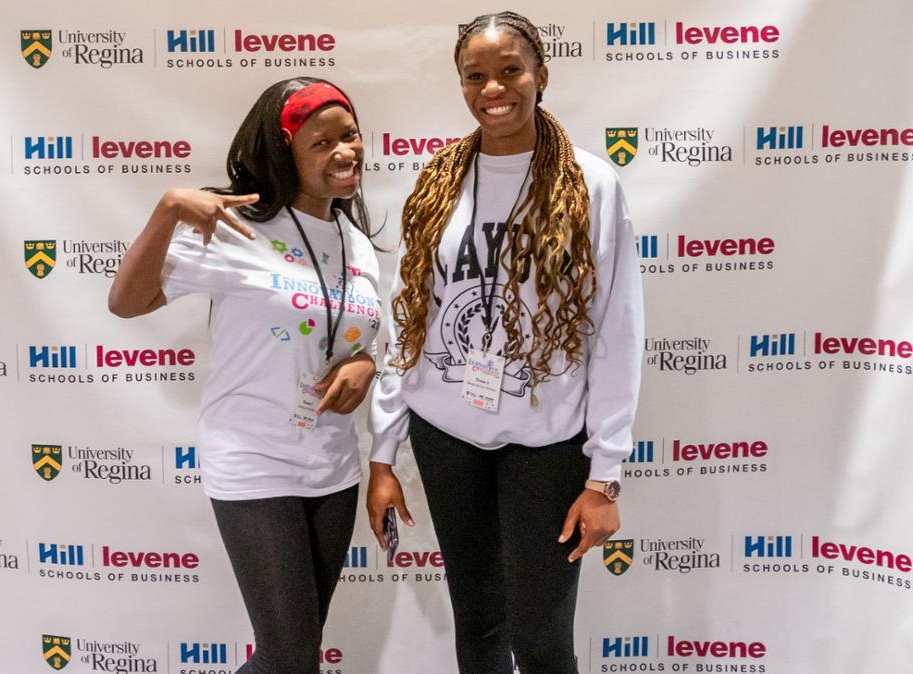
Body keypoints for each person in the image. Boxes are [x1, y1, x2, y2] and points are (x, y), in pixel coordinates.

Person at [366, 12, 643, 674]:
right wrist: (383, 451)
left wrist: (605, 475)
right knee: (480, 623)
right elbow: (412, 322)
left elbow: (618, 329)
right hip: (447, 433)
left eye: (511, 69)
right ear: (462, 85)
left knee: (543, 639)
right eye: (476, 75)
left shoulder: (590, 183)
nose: (495, 88)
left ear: (541, 74)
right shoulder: (439, 181)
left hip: (546, 441)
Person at [108, 77, 381, 674]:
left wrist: (365, 363)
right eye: (322, 143)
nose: (345, 152)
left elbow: (355, 340)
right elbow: (126, 302)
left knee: (295, 654)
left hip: (333, 467)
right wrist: (169, 209)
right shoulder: (237, 229)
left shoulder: (357, 242)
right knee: (288, 656)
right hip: (253, 460)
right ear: (284, 152)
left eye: (351, 135)